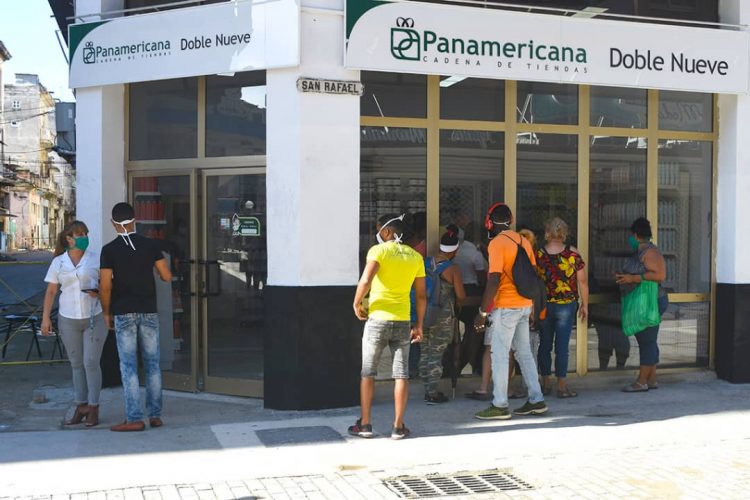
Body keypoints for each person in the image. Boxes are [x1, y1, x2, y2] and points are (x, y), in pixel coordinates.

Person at [350, 214, 426, 439]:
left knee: (368, 373)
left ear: (387, 232)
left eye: (378, 230)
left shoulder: (378, 251)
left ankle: (365, 425)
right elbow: (421, 296)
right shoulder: (415, 257)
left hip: (377, 320)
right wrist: (419, 325)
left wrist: (356, 303)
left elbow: (365, 281)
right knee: (401, 375)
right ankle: (398, 426)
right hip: (402, 320)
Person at [100, 202, 172, 432]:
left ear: (113, 223)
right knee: (152, 364)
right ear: (134, 221)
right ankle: (155, 415)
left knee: (128, 366)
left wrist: (106, 312)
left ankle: (134, 418)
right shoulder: (150, 245)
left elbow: (105, 287)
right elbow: (166, 276)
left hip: (123, 312)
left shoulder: (109, 250)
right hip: (149, 310)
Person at [473, 203, 547, 420]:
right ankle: (536, 399)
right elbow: (533, 273)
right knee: (524, 353)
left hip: (506, 306)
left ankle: (500, 404)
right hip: (524, 304)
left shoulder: (497, 243)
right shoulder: (523, 240)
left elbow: (494, 278)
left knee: (499, 353)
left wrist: (483, 312)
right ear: (510, 220)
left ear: (490, 222)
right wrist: (532, 306)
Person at [40, 221, 107, 427]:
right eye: (79, 234)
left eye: (85, 233)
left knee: (90, 362)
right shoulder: (59, 262)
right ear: (69, 239)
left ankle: (94, 408)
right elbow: (51, 291)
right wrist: (45, 318)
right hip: (68, 318)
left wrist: (99, 294)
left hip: (94, 317)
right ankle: (81, 406)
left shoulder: (96, 259)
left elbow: (107, 285)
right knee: (76, 364)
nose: (84, 236)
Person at [536, 218, 589, 398]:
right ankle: (561, 385)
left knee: (544, 345)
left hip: (544, 305)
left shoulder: (539, 255)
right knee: (562, 346)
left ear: (547, 232)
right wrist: (585, 305)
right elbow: (582, 281)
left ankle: (545, 383)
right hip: (566, 305)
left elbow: (534, 281)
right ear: (564, 233)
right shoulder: (572, 254)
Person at [615, 217, 668, 392]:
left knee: (647, 342)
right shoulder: (641, 252)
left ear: (636, 235)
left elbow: (659, 275)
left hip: (650, 301)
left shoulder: (650, 252)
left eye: (632, 235)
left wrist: (633, 278)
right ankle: (651, 379)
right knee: (649, 341)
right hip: (641, 300)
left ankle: (641, 382)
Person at [420, 229, 466, 404]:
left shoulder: (424, 263)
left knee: (424, 351)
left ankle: (426, 386)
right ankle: (432, 392)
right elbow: (461, 296)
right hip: (442, 316)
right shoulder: (453, 269)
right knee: (436, 353)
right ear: (454, 250)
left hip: (423, 313)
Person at [451, 223, 488, 376]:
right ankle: (472, 363)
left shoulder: (454, 250)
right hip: (472, 293)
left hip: (455, 293)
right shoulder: (475, 252)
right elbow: (481, 278)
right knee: (475, 333)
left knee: (460, 336)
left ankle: (457, 365)